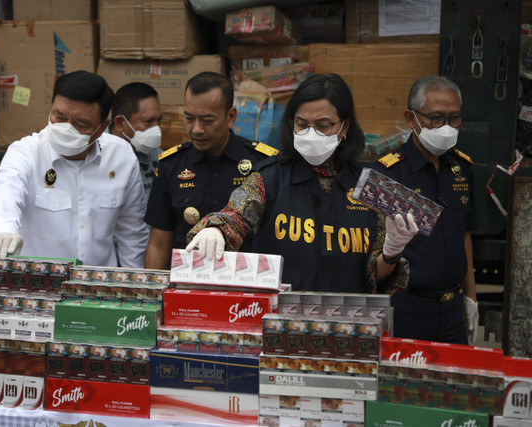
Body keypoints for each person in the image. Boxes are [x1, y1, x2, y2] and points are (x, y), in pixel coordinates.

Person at [186, 73, 418, 294]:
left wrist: (391, 252)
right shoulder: (268, 178)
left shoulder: (371, 186)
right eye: (302, 124)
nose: (311, 133)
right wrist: (216, 230)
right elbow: (235, 215)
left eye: (323, 125)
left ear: (344, 127)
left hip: (348, 320)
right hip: (280, 319)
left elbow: (377, 277)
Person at [0, 70, 148, 267]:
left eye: (81, 124)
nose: (67, 129)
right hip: (39, 284)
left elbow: (132, 233)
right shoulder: (25, 152)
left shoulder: (121, 156)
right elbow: (5, 196)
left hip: (97, 286)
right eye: (59, 117)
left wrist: (136, 284)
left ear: (102, 127)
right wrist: (4, 229)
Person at [374, 75, 478, 345]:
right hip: (407, 309)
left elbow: (463, 234)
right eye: (436, 118)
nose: (446, 126)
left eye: (454, 118)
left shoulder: (461, 168)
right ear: (411, 119)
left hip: (453, 310)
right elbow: (373, 251)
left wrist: (471, 297)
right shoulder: (389, 174)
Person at [144, 72, 277, 269]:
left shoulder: (262, 163)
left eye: (207, 120)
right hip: (188, 282)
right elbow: (159, 244)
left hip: (245, 283)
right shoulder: (170, 166)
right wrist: (153, 294)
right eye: (189, 118)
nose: (196, 129)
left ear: (231, 117)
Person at [110, 82, 163, 201]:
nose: (157, 129)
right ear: (120, 123)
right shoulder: (95, 157)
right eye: (148, 121)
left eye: (158, 120)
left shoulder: (159, 157)